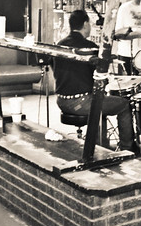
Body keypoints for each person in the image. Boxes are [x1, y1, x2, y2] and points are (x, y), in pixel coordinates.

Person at [54, 10, 136, 153]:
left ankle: (100, 144)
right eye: (89, 24)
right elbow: (101, 76)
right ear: (85, 24)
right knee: (123, 105)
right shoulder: (90, 47)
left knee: (102, 103)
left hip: (61, 100)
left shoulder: (59, 45)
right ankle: (127, 149)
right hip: (81, 102)